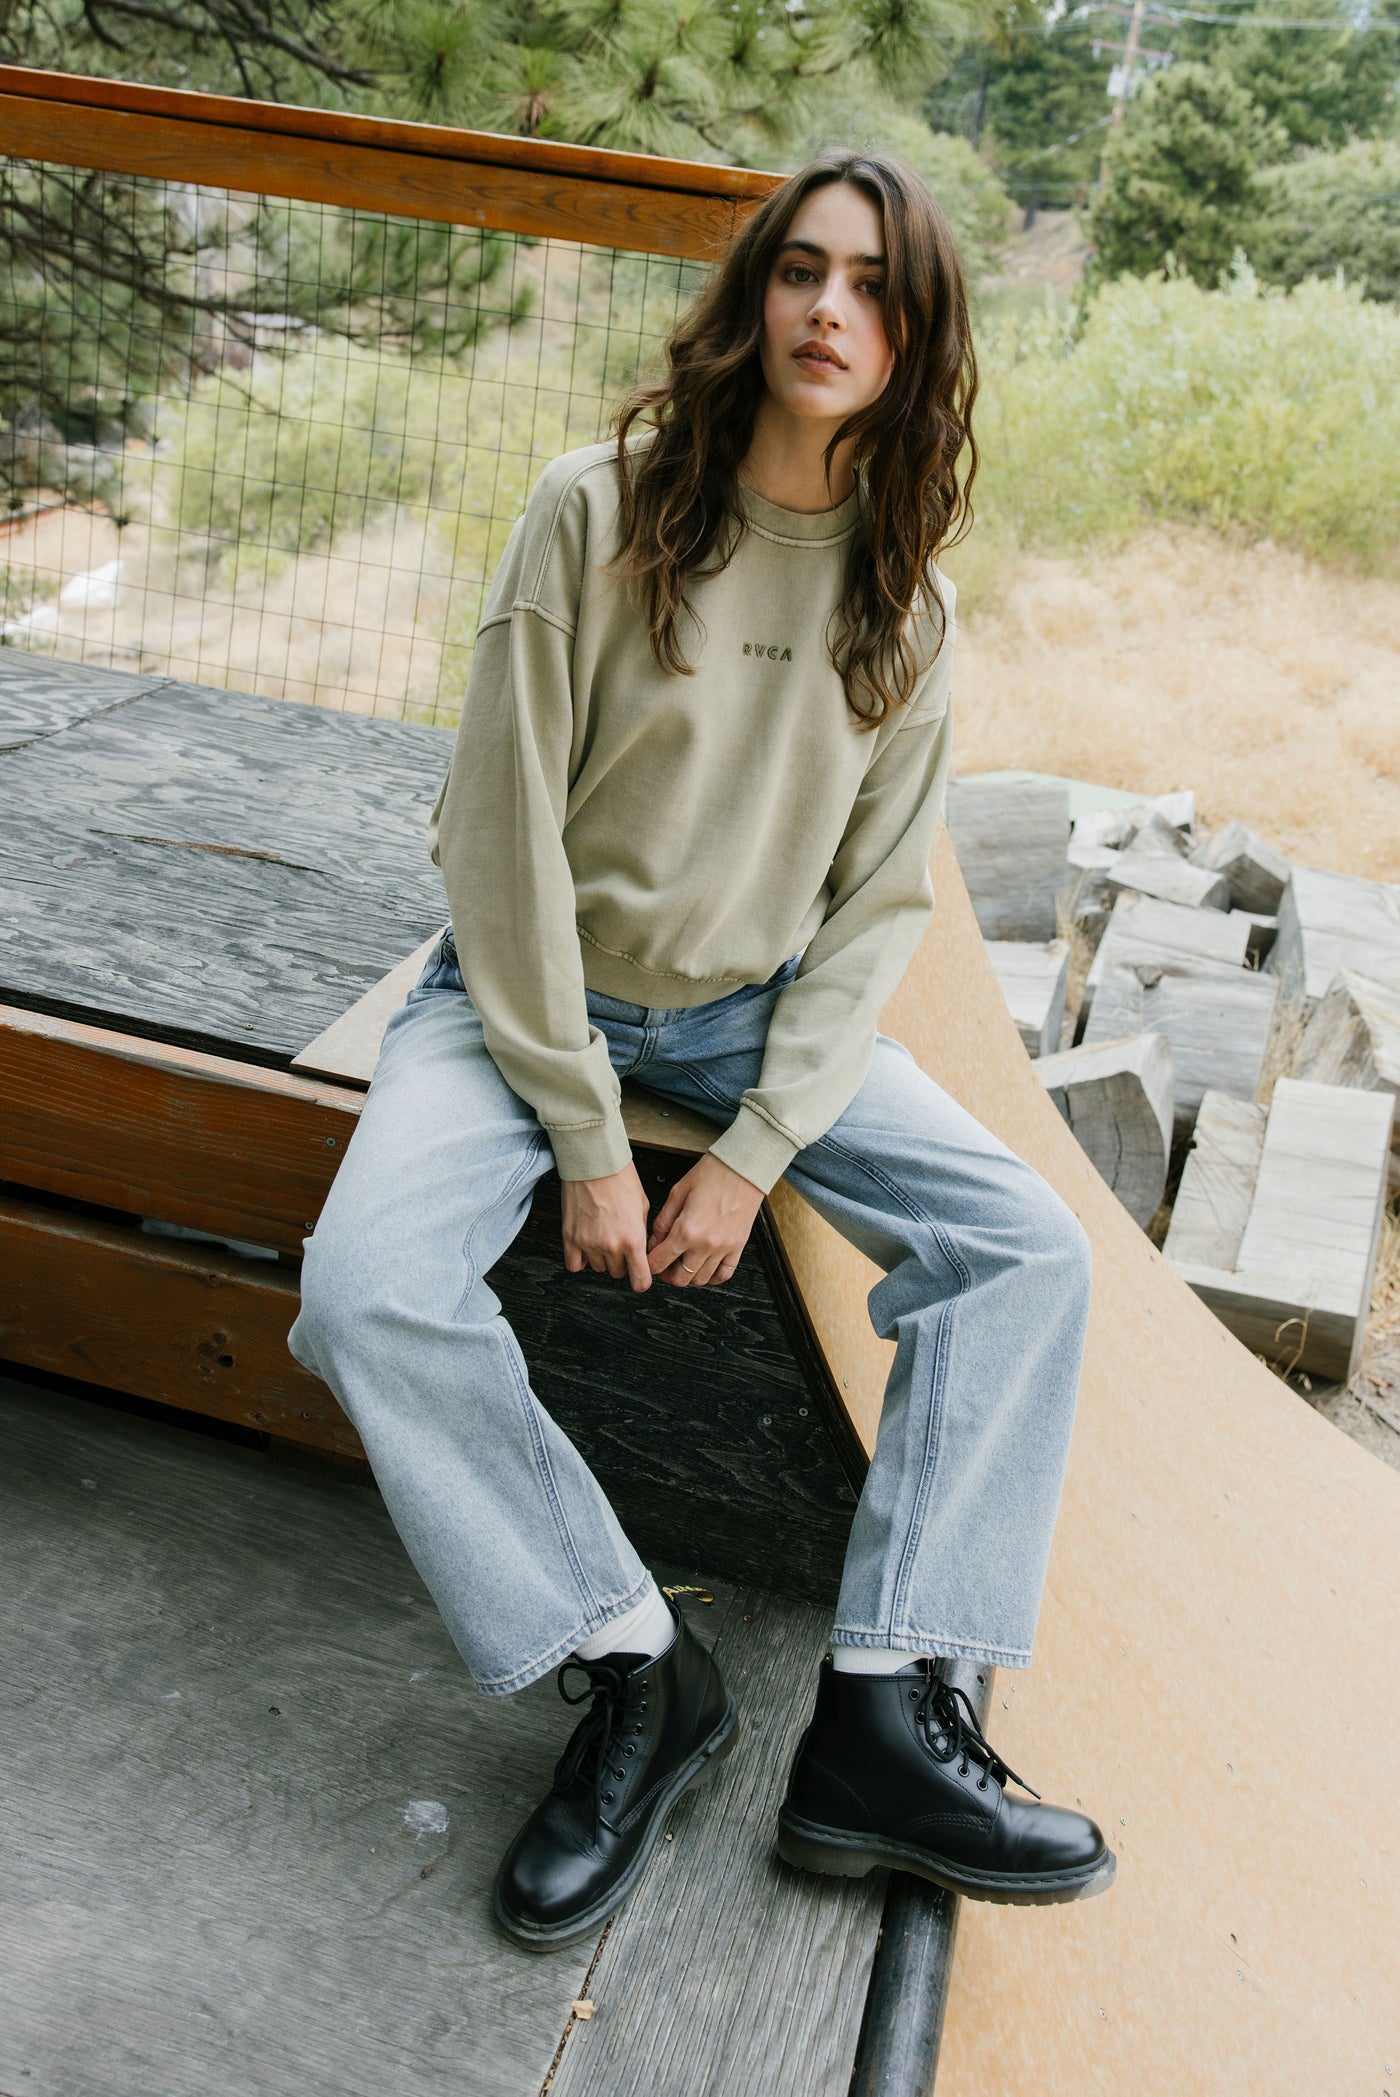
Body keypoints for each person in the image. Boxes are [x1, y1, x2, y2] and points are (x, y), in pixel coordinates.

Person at [288, 149, 1115, 1952]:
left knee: (1027, 1251)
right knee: (358, 1292)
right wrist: (592, 1133)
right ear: (753, 297)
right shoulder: (591, 512)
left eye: (876, 288)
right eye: (803, 271)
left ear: (916, 340)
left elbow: (876, 913)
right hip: (527, 1000)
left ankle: (886, 1713)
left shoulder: (909, 597)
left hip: (752, 1016)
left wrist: (748, 1152)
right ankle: (637, 1664)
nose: (832, 310)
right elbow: (494, 843)